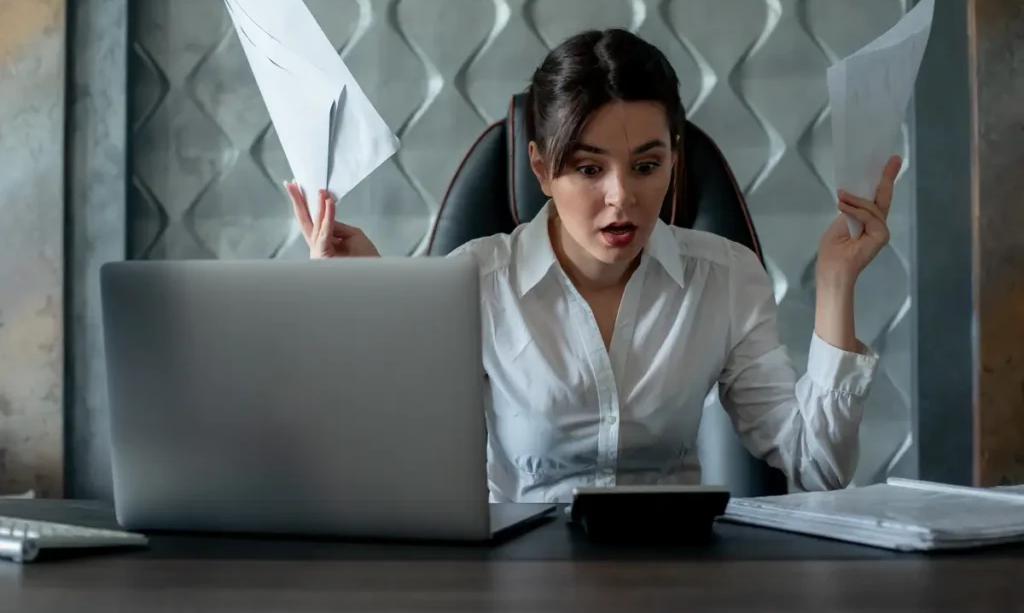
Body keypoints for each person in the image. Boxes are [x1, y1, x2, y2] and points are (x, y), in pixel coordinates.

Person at [285, 28, 900, 503]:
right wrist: (362, 304)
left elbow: (818, 467)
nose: (621, 197)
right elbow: (388, 462)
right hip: (520, 579)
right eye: (588, 169)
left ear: (675, 161)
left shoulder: (726, 279)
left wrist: (835, 284)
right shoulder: (472, 283)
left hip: (678, 577)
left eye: (646, 165)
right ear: (540, 169)